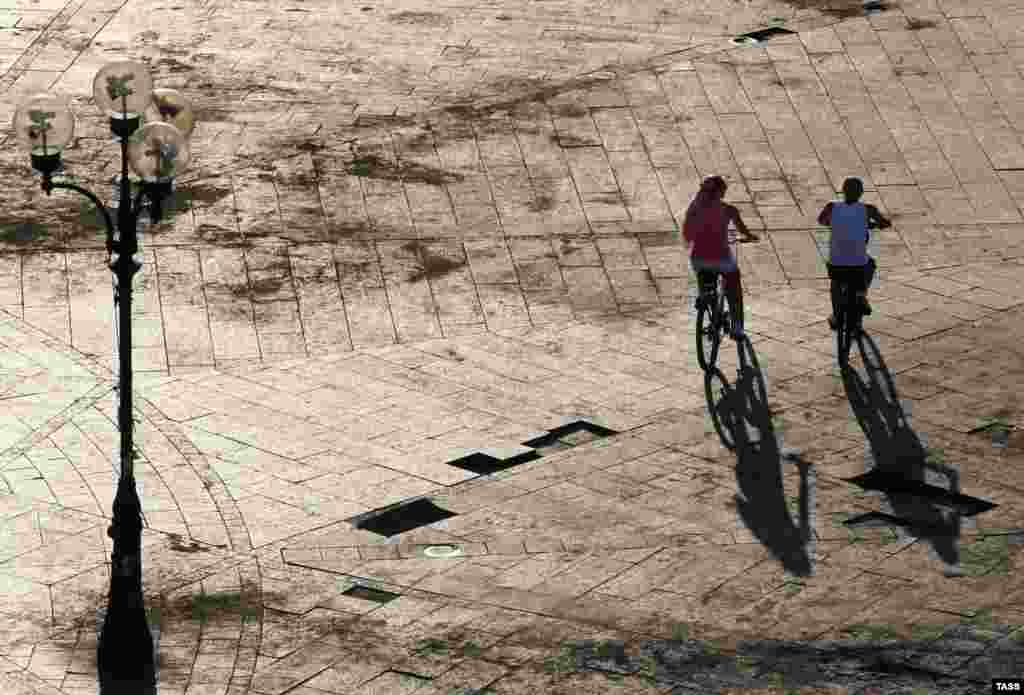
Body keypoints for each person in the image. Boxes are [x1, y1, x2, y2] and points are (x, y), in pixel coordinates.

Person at [684, 176, 759, 340]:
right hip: (721, 258)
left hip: (699, 258)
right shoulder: (729, 210)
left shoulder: (694, 208)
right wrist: (751, 237)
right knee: (734, 288)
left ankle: (708, 305)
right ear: (720, 192)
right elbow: (743, 231)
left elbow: (687, 234)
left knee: (705, 281)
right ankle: (737, 327)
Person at [817, 178, 890, 330]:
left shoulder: (831, 207)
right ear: (861, 193)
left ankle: (837, 316)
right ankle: (861, 294)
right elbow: (884, 223)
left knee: (835, 284)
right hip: (859, 262)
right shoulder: (868, 209)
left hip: (836, 261)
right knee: (871, 264)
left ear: (843, 191)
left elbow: (821, 220)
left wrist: (836, 223)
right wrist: (873, 224)